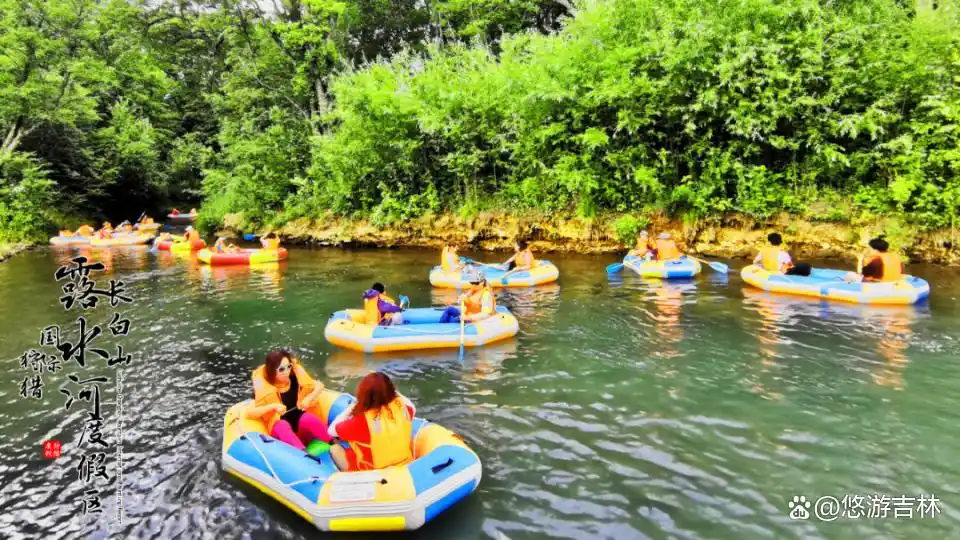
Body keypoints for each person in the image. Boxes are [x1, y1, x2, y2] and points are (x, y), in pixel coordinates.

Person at [328, 372, 416, 472]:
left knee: (334, 449)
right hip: (405, 463)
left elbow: (331, 430)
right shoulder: (404, 407)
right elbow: (412, 406)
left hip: (373, 472)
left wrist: (354, 405)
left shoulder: (362, 420)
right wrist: (384, 387)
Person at [246, 350, 332, 451]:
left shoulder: (296, 379)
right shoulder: (264, 389)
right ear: (272, 370)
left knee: (309, 418)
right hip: (281, 431)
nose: (286, 371)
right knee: (282, 426)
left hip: (299, 425)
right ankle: (304, 455)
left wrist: (309, 398)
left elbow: (319, 385)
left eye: (289, 366)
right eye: (281, 369)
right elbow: (251, 412)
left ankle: (335, 444)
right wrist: (273, 406)